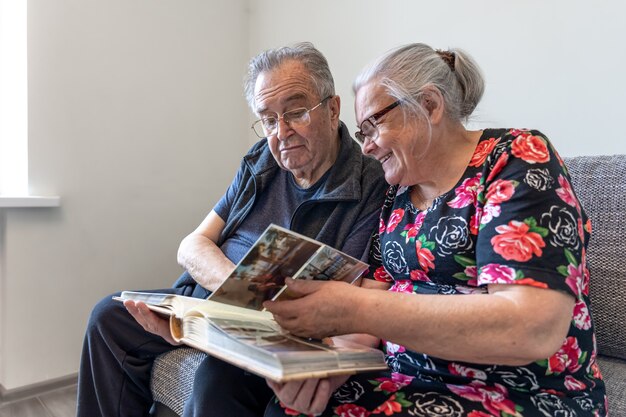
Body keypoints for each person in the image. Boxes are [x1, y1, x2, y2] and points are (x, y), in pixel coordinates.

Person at [261, 43, 607, 416]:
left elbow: (532, 327)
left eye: (372, 126)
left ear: (429, 104)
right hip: (406, 381)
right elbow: (366, 327)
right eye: (362, 134)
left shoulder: (515, 159)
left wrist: (354, 307)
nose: (367, 149)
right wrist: (331, 369)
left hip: (518, 394)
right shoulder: (397, 196)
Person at [76, 42, 387, 417]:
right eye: (269, 119)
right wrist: (239, 293)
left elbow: (348, 295)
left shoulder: (369, 182)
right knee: (107, 317)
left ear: (332, 107)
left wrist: (253, 309)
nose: (281, 132)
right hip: (214, 302)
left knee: (216, 382)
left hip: (280, 328)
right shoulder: (261, 161)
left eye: (296, 111)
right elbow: (192, 245)